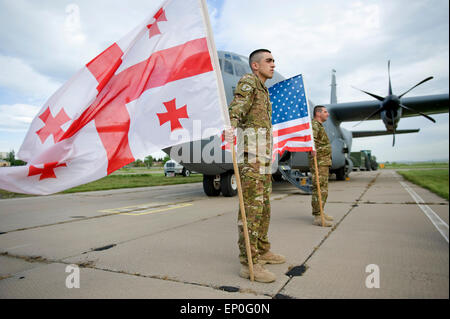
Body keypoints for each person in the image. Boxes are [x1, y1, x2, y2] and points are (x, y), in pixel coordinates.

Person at [225, 49, 285, 283]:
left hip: (262, 157)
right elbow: (238, 106)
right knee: (251, 210)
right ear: (255, 65)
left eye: (273, 60)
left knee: (264, 208)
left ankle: (262, 250)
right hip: (251, 157)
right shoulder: (249, 81)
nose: (273, 64)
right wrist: (231, 126)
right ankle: (248, 262)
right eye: (268, 61)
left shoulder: (264, 90)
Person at [309, 105, 334, 227]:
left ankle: (321, 212)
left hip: (323, 162)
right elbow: (311, 140)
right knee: (319, 188)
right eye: (325, 112)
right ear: (318, 113)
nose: (327, 114)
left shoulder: (319, 126)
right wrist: (312, 150)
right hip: (318, 162)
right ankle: (318, 216)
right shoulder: (314, 125)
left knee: (323, 189)